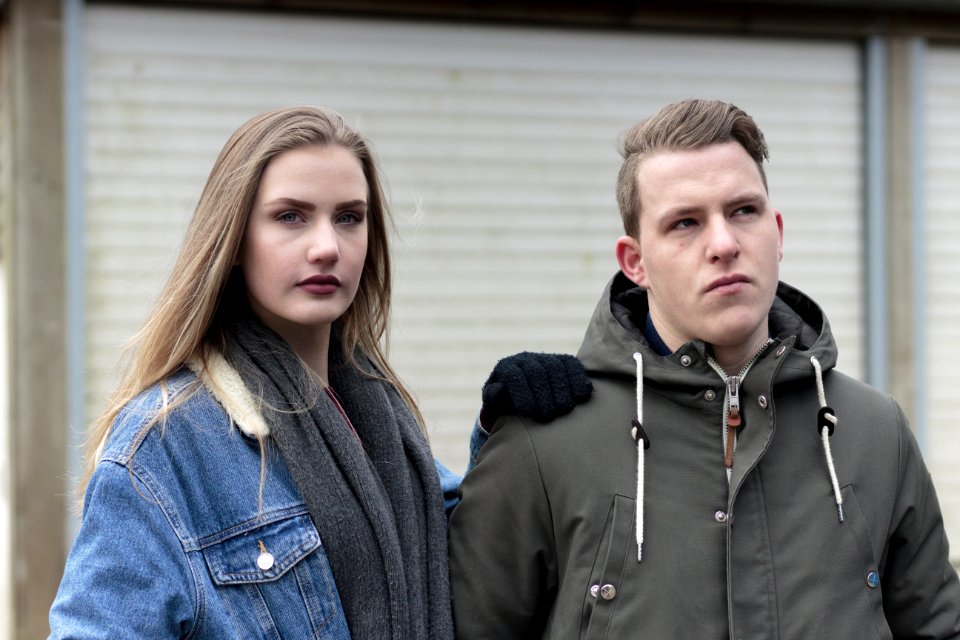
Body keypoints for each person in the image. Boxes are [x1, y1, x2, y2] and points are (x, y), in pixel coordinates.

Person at [48, 106, 589, 638]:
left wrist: (502, 430)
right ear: (234, 239)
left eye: (349, 217)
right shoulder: (164, 445)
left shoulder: (381, 418)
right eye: (290, 216)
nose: (327, 247)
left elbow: (470, 562)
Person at [448, 98, 960, 639]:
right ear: (635, 261)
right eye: (685, 222)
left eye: (743, 211)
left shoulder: (875, 430)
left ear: (778, 233)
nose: (723, 244)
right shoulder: (544, 440)